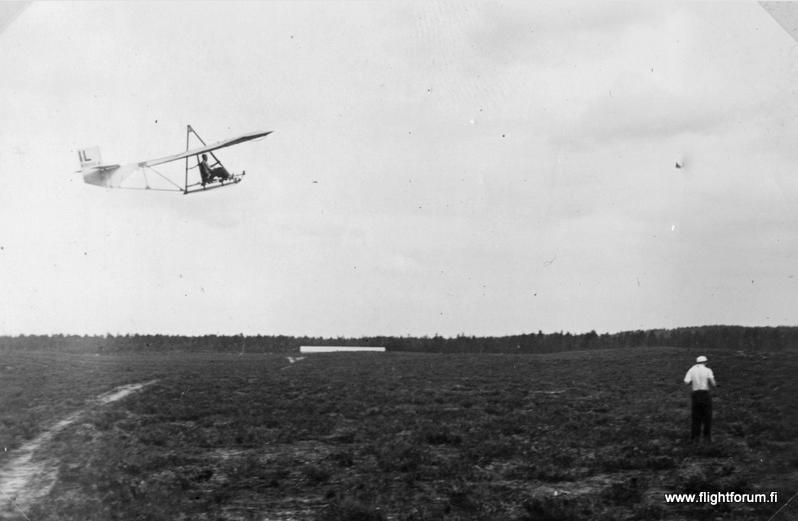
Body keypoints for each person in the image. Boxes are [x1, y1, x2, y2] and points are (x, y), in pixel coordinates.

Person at [684, 355, 716, 443]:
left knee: (696, 417)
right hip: (705, 394)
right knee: (707, 416)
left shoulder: (691, 369)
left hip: (695, 394)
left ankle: (695, 438)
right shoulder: (708, 370)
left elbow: (686, 382)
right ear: (705, 362)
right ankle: (707, 438)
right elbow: (713, 383)